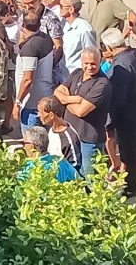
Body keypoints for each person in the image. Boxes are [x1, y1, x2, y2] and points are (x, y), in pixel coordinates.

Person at [100, 28, 136, 197]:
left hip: (126, 113)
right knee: (133, 147)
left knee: (128, 150)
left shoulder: (120, 66)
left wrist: (110, 121)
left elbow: (118, 98)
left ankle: (132, 186)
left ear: (109, 47)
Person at [54, 47, 111, 177]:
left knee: (91, 178)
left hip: (89, 140)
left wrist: (65, 100)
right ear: (81, 62)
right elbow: (58, 91)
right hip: (72, 136)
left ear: (100, 61)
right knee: (75, 175)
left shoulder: (102, 84)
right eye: (87, 63)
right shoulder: (76, 73)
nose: (90, 67)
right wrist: (75, 99)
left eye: (93, 64)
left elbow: (81, 111)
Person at [12, 12, 55, 133]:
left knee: (32, 144)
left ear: (23, 25)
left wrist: (18, 103)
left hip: (31, 104)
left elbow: (27, 79)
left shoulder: (30, 48)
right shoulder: (46, 38)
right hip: (46, 96)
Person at [59, 0, 96, 78]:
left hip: (75, 77)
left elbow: (91, 54)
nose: (59, 8)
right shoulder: (63, 24)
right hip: (61, 75)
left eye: (61, 6)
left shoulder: (84, 29)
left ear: (71, 9)